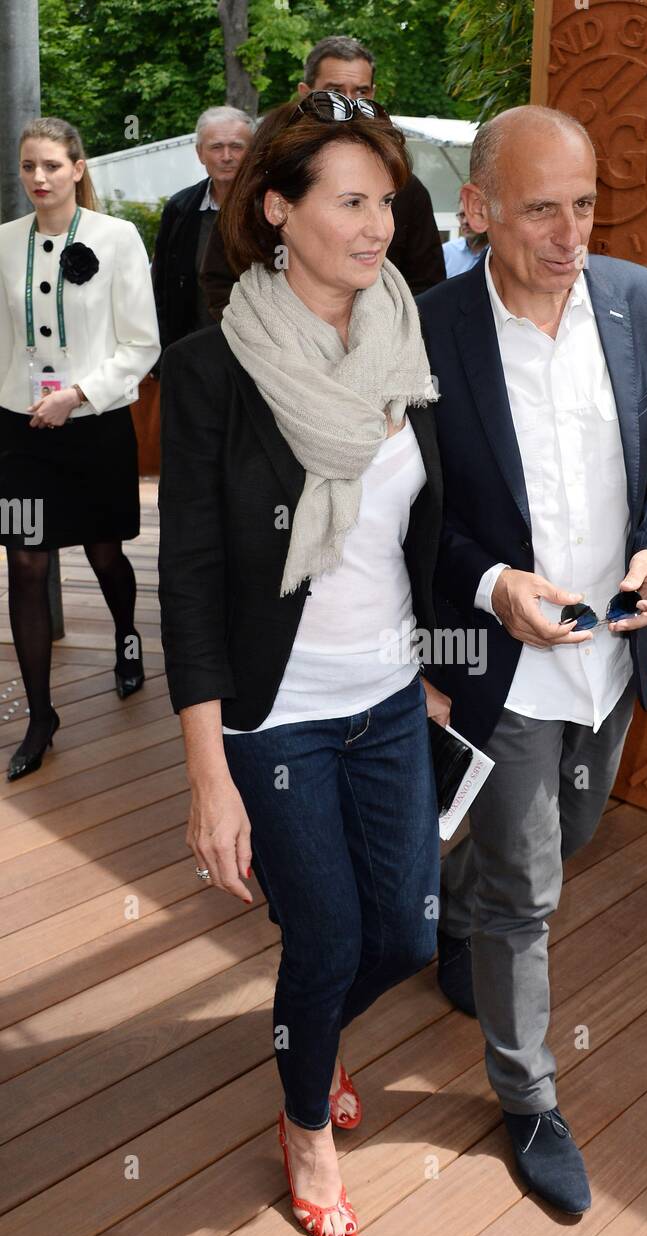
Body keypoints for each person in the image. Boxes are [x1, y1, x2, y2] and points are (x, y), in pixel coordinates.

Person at [157, 93, 449, 1236]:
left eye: (385, 200)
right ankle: (304, 1118)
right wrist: (205, 771)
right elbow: (187, 574)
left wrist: (432, 660)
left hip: (386, 697)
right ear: (278, 211)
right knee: (326, 935)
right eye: (348, 200)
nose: (376, 223)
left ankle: (313, 1036)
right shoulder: (211, 370)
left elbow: (431, 522)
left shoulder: (405, 337)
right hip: (274, 715)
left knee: (411, 933)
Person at [417, 106, 647, 1215]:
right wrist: (489, 586)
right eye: (539, 208)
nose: (568, 232)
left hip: (611, 658)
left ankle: (449, 915)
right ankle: (527, 1097)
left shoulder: (638, 300)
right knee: (528, 892)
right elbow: (403, 514)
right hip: (503, 664)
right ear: (477, 209)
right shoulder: (425, 327)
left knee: (564, 837)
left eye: (583, 204)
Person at [0, 117, 161, 781]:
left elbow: (142, 341)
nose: (39, 178)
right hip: (17, 430)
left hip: (93, 426)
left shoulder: (117, 238)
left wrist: (80, 393)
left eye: (51, 166)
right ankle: (41, 714)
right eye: (29, 167)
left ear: (77, 167)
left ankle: (127, 638)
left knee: (104, 551)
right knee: (26, 563)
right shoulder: (2, 243)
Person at [199, 34, 446, 316]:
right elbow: (220, 279)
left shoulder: (408, 188)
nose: (348, 104)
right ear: (305, 93)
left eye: (361, 92)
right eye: (335, 92)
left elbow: (427, 286)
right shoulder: (265, 174)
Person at [150, 106, 255, 360]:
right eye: (216, 147)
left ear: (252, 152)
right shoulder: (180, 207)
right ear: (200, 153)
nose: (226, 156)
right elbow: (161, 284)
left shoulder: (269, 207)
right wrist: (164, 349)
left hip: (256, 352)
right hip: (193, 350)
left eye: (237, 147)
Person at [443, 202, 488, 277]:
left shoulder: (499, 253)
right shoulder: (446, 252)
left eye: (473, 215)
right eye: (462, 215)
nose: (465, 221)